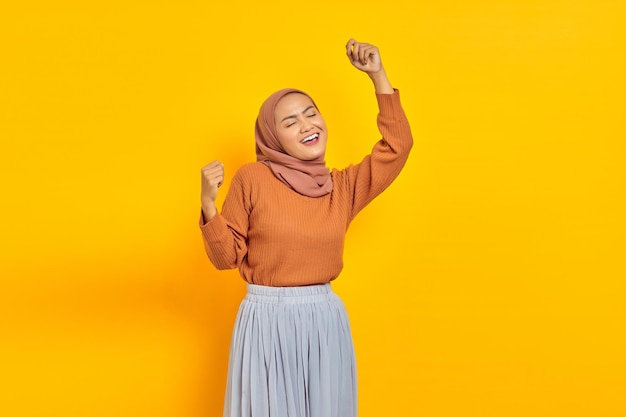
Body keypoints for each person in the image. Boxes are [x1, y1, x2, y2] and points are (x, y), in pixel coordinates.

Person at [199, 39, 413, 417]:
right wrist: (208, 206)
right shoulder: (253, 178)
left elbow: (397, 146)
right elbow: (225, 257)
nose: (306, 125)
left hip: (324, 319)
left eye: (310, 113)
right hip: (265, 319)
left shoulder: (342, 187)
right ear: (272, 137)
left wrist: (377, 74)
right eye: (290, 122)